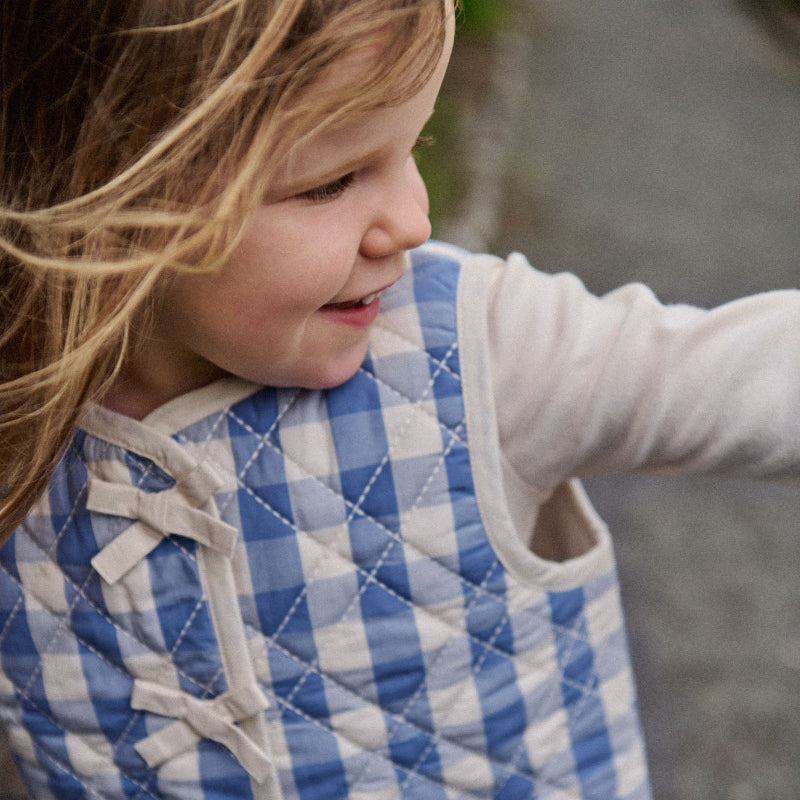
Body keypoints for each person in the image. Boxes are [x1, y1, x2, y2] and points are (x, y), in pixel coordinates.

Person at [0, 1, 797, 798]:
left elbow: (747, 376)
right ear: (101, 183)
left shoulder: (476, 349)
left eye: (413, 146)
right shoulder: (18, 425)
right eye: (332, 181)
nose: (412, 222)